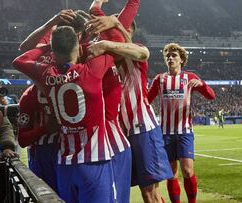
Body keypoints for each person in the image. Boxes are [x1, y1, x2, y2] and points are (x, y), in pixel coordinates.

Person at [13, 26, 116, 203]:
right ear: (77, 46)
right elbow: (119, 45)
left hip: (65, 161)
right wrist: (104, 42)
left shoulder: (45, 75)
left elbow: (20, 60)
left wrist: (49, 46)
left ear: (54, 51)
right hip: (94, 159)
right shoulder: (91, 70)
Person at [87, 19, 173, 203]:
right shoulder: (108, 60)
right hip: (124, 134)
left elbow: (142, 53)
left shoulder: (134, 53)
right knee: (149, 193)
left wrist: (117, 25)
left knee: (149, 193)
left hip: (142, 128)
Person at [148, 43, 216, 203]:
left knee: (187, 170)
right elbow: (147, 100)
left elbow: (211, 96)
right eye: (168, 56)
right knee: (172, 173)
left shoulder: (190, 77)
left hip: (184, 132)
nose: (170, 58)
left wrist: (203, 85)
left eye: (174, 56)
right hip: (165, 133)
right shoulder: (160, 79)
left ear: (181, 60)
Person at [17, 85, 59, 191]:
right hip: (40, 158)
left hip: (66, 156)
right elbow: (22, 139)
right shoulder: (28, 97)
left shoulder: (64, 89)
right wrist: (45, 129)